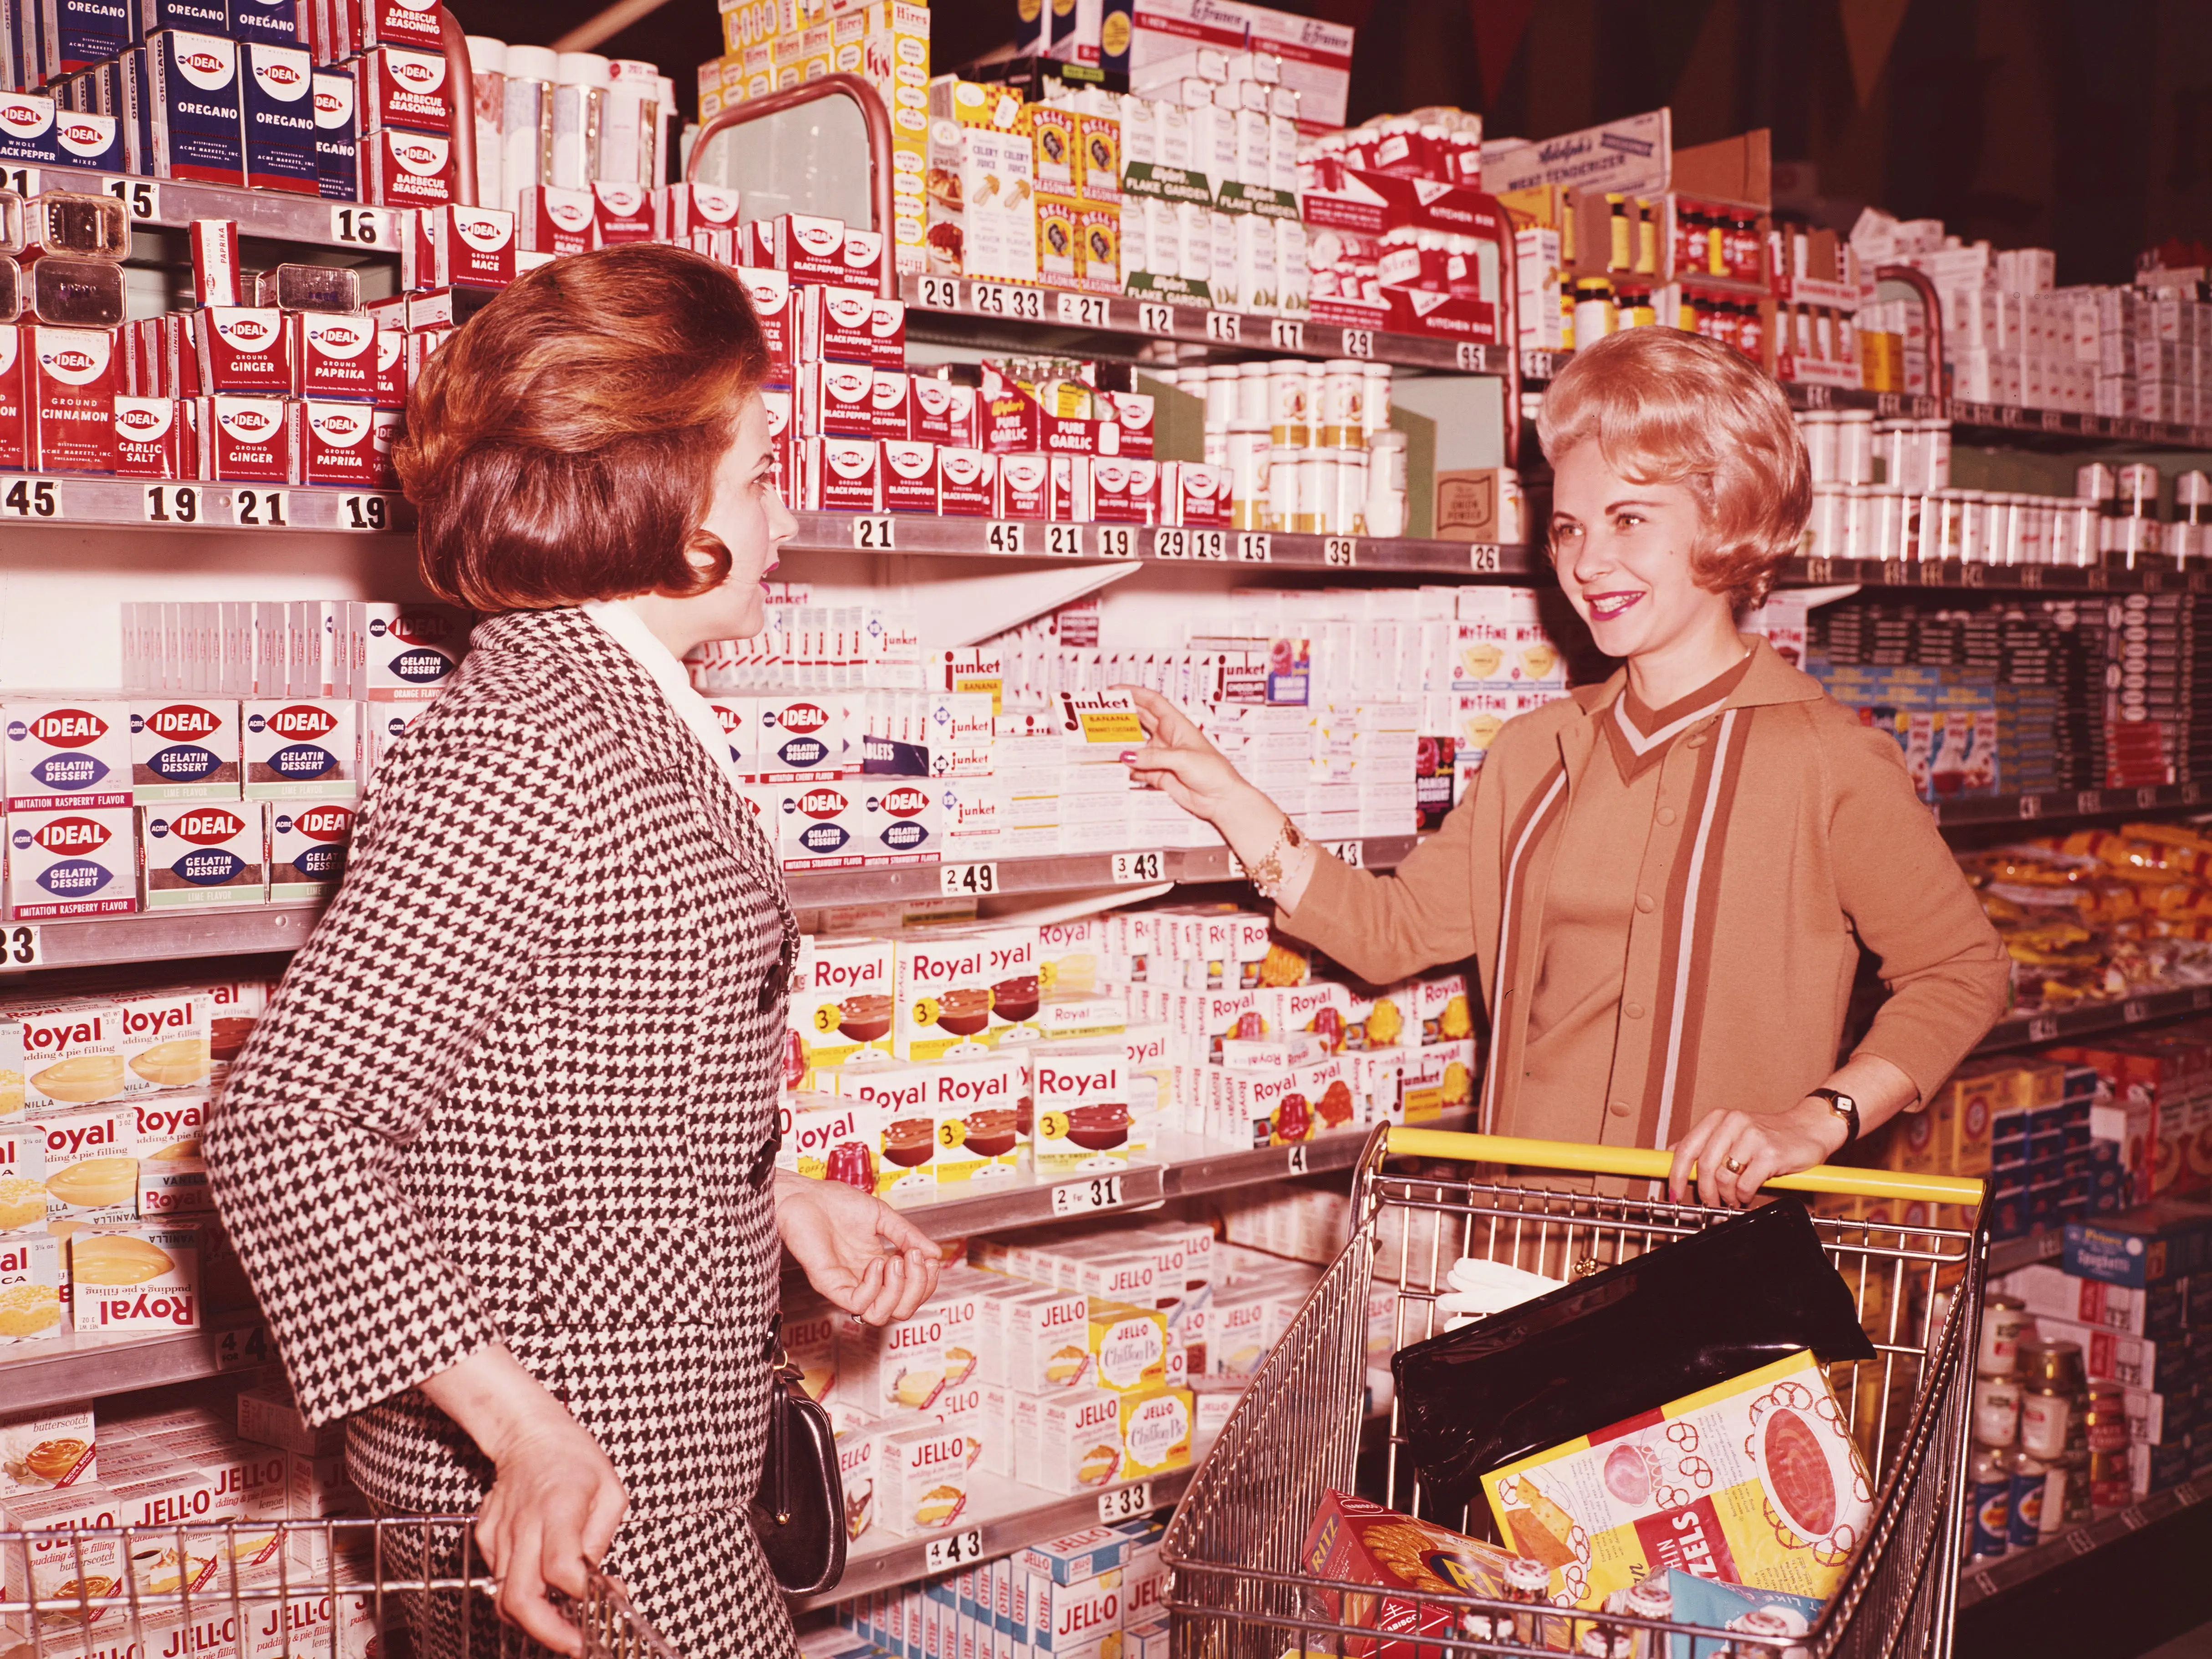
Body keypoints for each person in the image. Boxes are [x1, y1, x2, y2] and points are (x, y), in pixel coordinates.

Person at [205, 244, 941, 1659]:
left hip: (646, 1449)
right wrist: (523, 1432)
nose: (790, 508)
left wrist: (770, 1202)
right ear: (657, 498)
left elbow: (561, 1058)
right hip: (588, 1501)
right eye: (759, 473)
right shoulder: (522, 741)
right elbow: (291, 1130)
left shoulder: (616, 702)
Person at [1126, 326, 2011, 1207]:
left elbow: (1960, 969)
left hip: (1718, 1268)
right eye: (1567, 528)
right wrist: (1234, 803)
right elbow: (1388, 932)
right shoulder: (1532, 752)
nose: (1587, 563)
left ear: (1727, 515)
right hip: (1528, 1247)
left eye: (1629, 520)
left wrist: (1819, 1118)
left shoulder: (1825, 759)